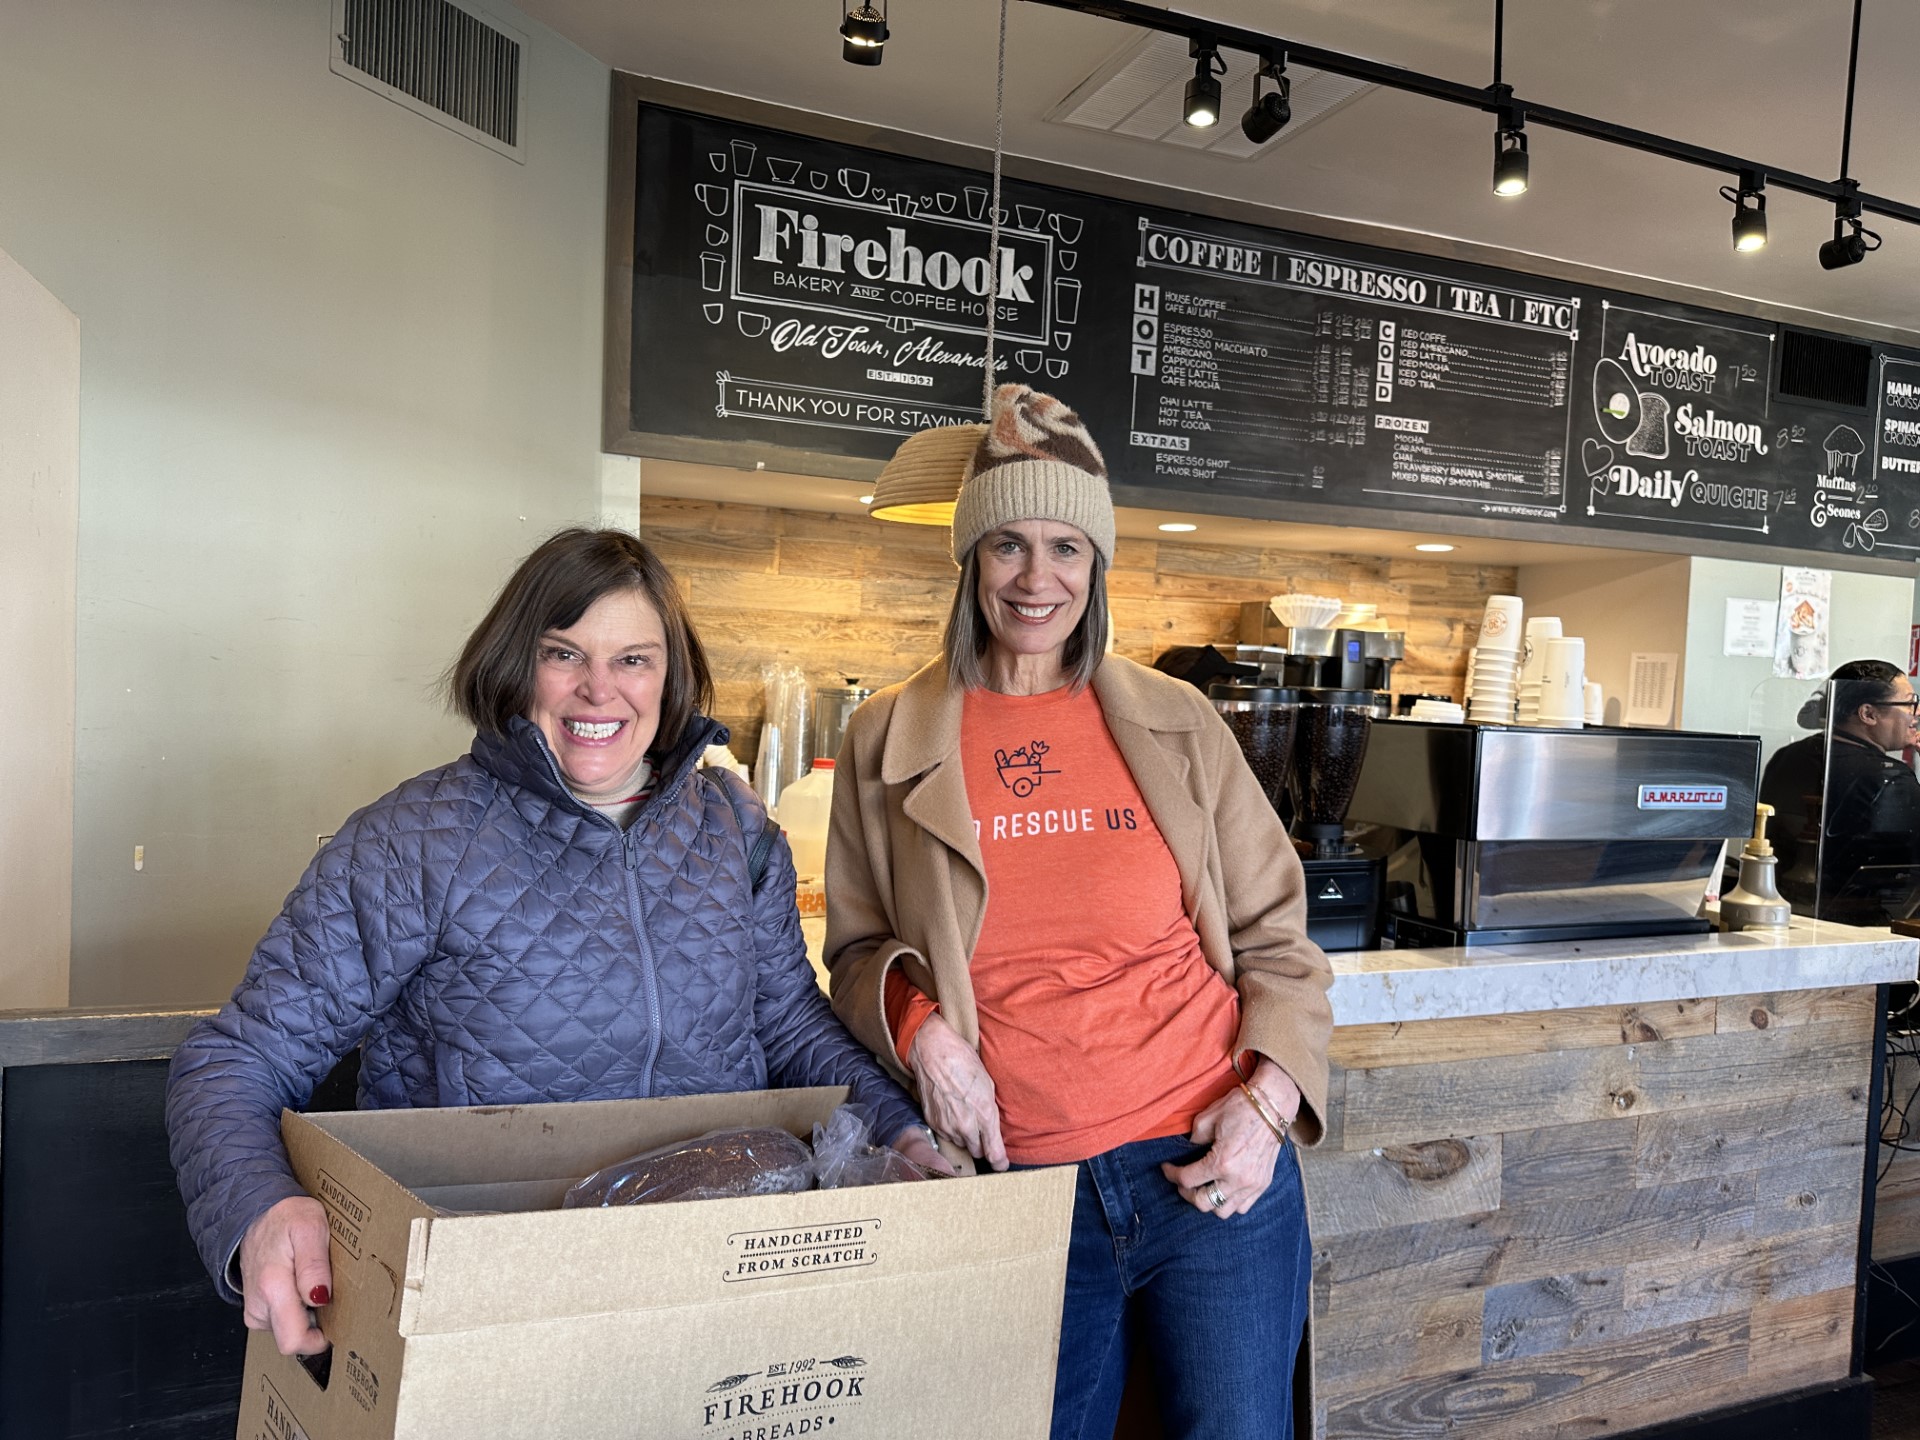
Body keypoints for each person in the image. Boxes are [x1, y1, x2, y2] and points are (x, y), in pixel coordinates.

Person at [167, 528, 941, 1358]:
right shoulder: (411, 842)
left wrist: (901, 1131)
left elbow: (787, 1025)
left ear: (670, 675)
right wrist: (258, 1206)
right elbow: (233, 1060)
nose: (599, 691)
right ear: (514, 664)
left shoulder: (735, 830)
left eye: (633, 660)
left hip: (717, 1289)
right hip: (491, 1306)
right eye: (564, 655)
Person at [825, 387, 1334, 1439]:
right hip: (1020, 1187)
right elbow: (859, 949)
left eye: (1065, 546)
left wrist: (1266, 1109)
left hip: (1207, 1168)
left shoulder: (1177, 720)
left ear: (1096, 564)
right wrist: (925, 1040)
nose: (1036, 577)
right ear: (969, 561)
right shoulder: (887, 735)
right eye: (1007, 545)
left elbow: (1282, 939)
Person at [1759, 657, 1920, 925]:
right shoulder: (1888, 777)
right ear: (1868, 714)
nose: (1916, 713)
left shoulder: (1786, 757)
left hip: (1787, 913)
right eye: (1909, 703)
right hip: (1864, 927)